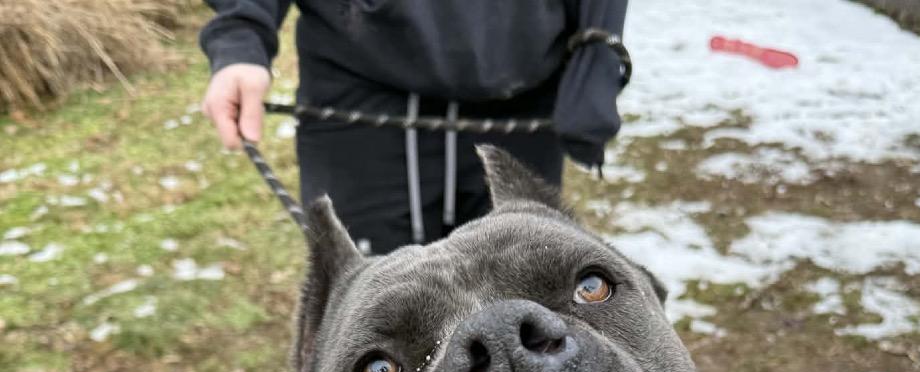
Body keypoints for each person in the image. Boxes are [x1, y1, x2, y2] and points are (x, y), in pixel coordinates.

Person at [199, 1, 628, 254]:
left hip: (524, 85)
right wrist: (241, 37)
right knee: (375, 327)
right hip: (360, 82)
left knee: (525, 306)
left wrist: (598, 42)